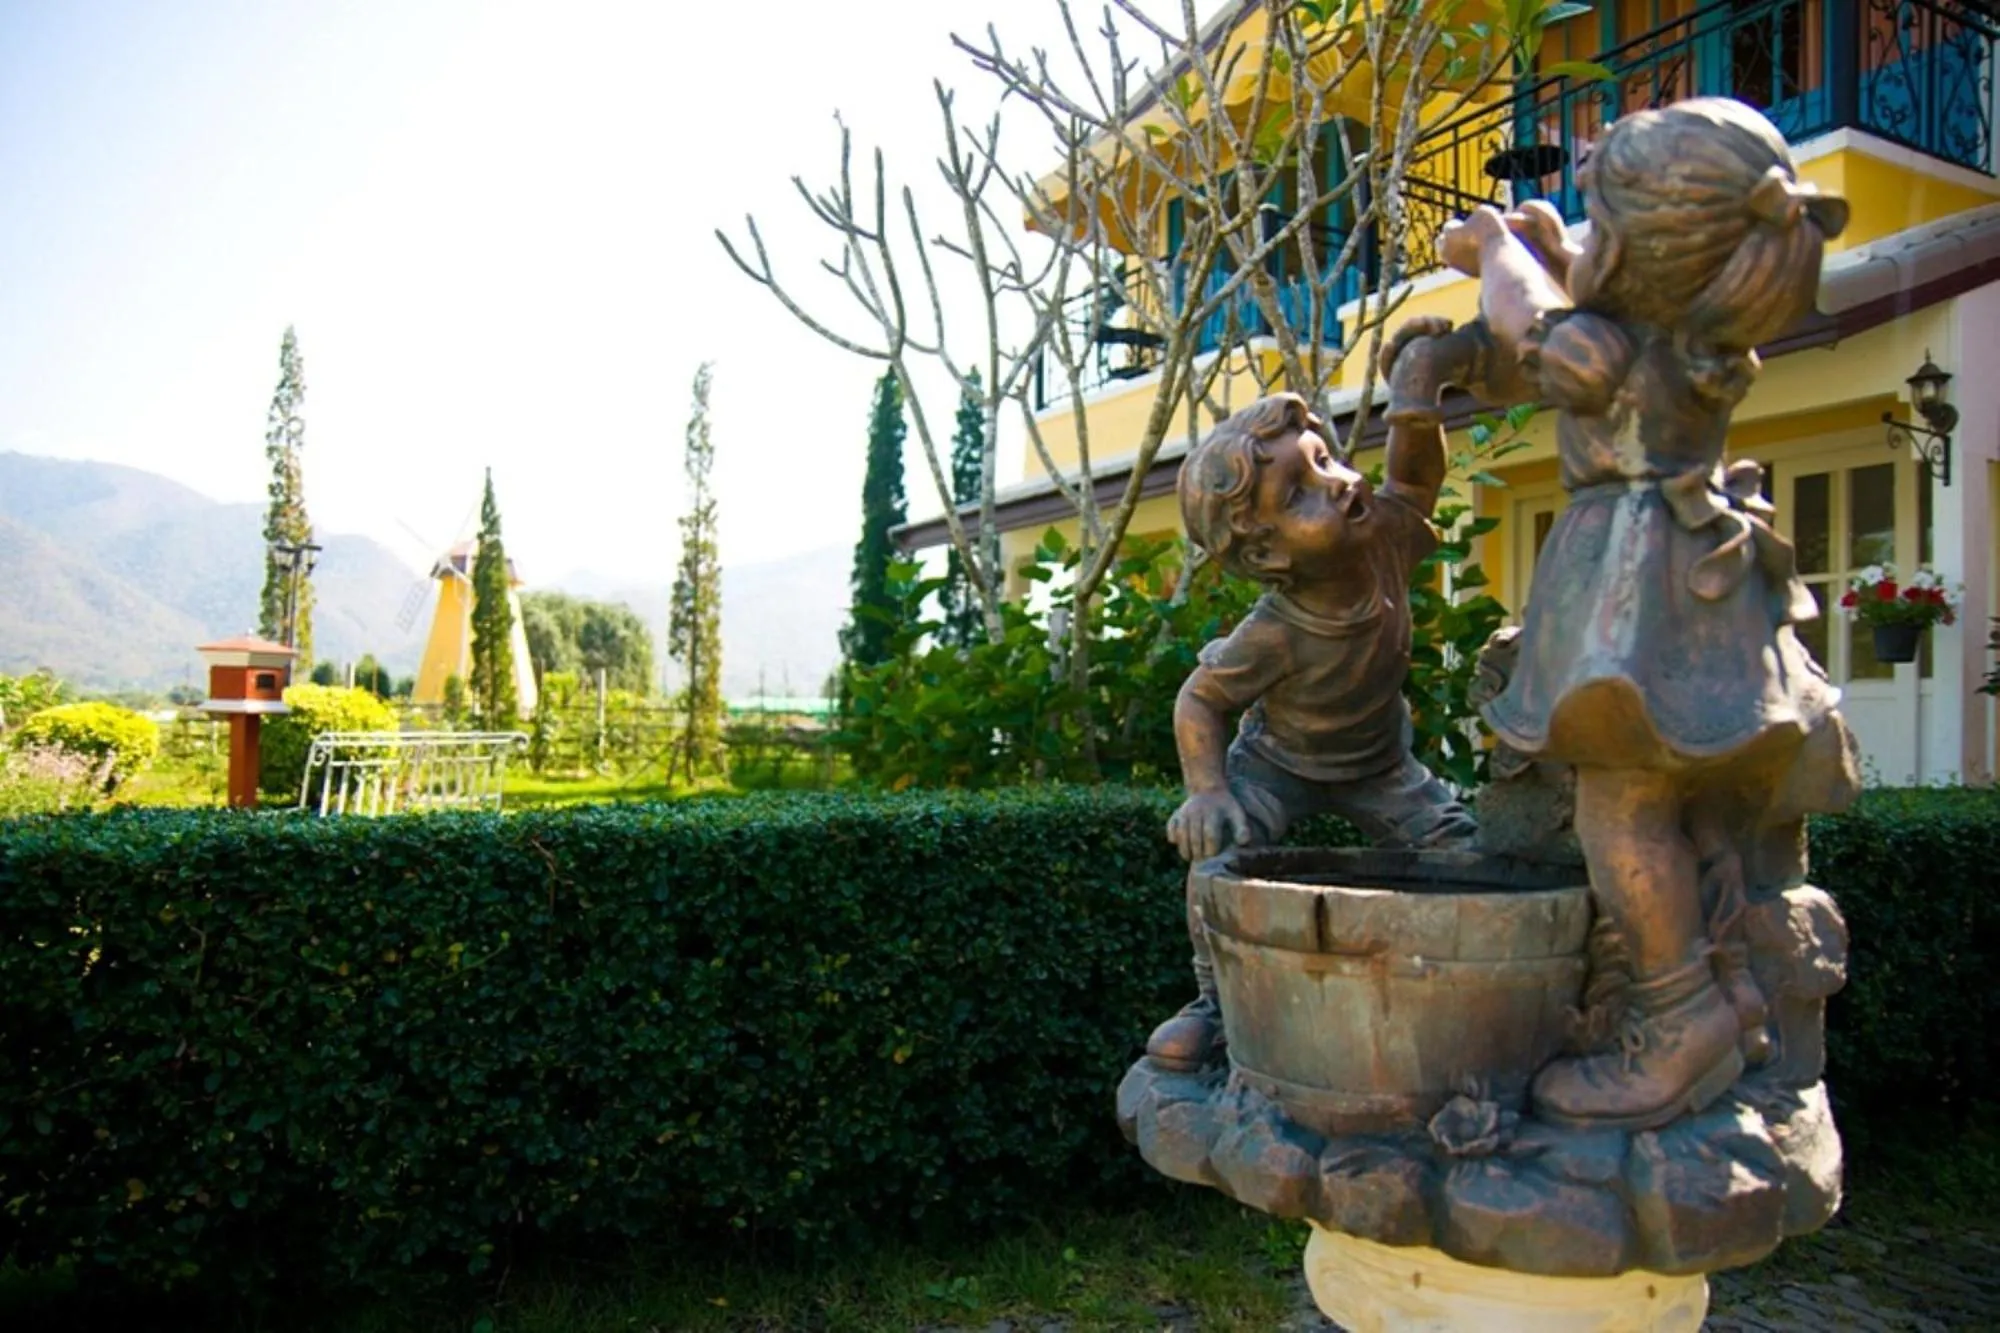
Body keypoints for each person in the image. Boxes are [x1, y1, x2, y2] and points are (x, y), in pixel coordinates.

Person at [1429, 98, 1856, 1130]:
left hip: (1634, 587)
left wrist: (1491, 243)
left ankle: (1679, 1017)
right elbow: (1590, 302)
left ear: (1636, 249)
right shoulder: (1701, 337)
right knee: (1693, 803)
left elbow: (1528, 329)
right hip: (1703, 580)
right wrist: (1553, 248)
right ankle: (1729, 984)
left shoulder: (1604, 354)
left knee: (1616, 805)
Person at [1148, 386, 1476, 1072]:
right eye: (1300, 494)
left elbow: (1415, 479)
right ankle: (1216, 1001)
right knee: (1217, 863)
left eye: (1324, 458)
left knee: (1468, 854)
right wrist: (1208, 790)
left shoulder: (1381, 539)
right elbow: (1200, 701)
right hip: (1279, 768)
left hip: (1383, 766)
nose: (1338, 484)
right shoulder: (1272, 631)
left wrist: (1415, 399)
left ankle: (1472, 993)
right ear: (1267, 558)